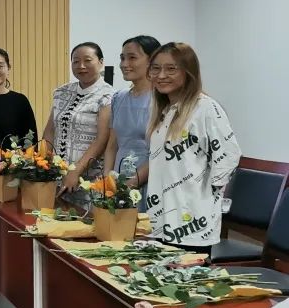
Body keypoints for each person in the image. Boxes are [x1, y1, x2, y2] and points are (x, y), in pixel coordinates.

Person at [146, 43, 240, 250]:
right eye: (155, 68)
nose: (161, 75)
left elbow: (229, 154)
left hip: (193, 220)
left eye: (171, 69)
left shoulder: (206, 108)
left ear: (188, 72)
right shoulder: (164, 110)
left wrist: (205, 194)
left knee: (187, 270)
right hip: (162, 217)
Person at [44, 42, 115, 197]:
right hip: (55, 173)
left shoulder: (109, 95)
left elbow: (102, 139)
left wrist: (76, 171)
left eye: (87, 60)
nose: (81, 66)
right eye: (76, 61)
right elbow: (50, 130)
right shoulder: (62, 92)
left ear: (101, 62)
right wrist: (44, 162)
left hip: (88, 177)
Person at [103, 36, 160, 206]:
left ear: (152, 60)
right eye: (122, 58)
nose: (124, 64)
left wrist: (132, 183)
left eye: (132, 57)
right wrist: (107, 179)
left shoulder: (162, 101)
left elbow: (160, 152)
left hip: (150, 179)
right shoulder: (118, 98)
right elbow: (112, 145)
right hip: (119, 176)